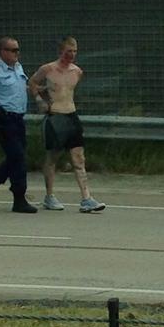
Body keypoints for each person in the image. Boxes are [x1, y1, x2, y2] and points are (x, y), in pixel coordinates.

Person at [28, 36, 105, 213]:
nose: (71, 55)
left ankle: (86, 198)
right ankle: (49, 196)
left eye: (74, 51)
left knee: (79, 159)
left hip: (71, 115)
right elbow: (32, 83)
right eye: (68, 51)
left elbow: (67, 92)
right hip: (55, 117)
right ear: (61, 51)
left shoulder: (77, 71)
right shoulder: (47, 69)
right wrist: (39, 99)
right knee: (53, 158)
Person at [0, 37, 37, 213]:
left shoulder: (18, 67)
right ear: (2, 52)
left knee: (16, 157)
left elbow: (17, 90)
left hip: (18, 119)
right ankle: (19, 198)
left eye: (18, 49)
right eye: (12, 50)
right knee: (18, 157)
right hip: (2, 120)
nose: (17, 53)